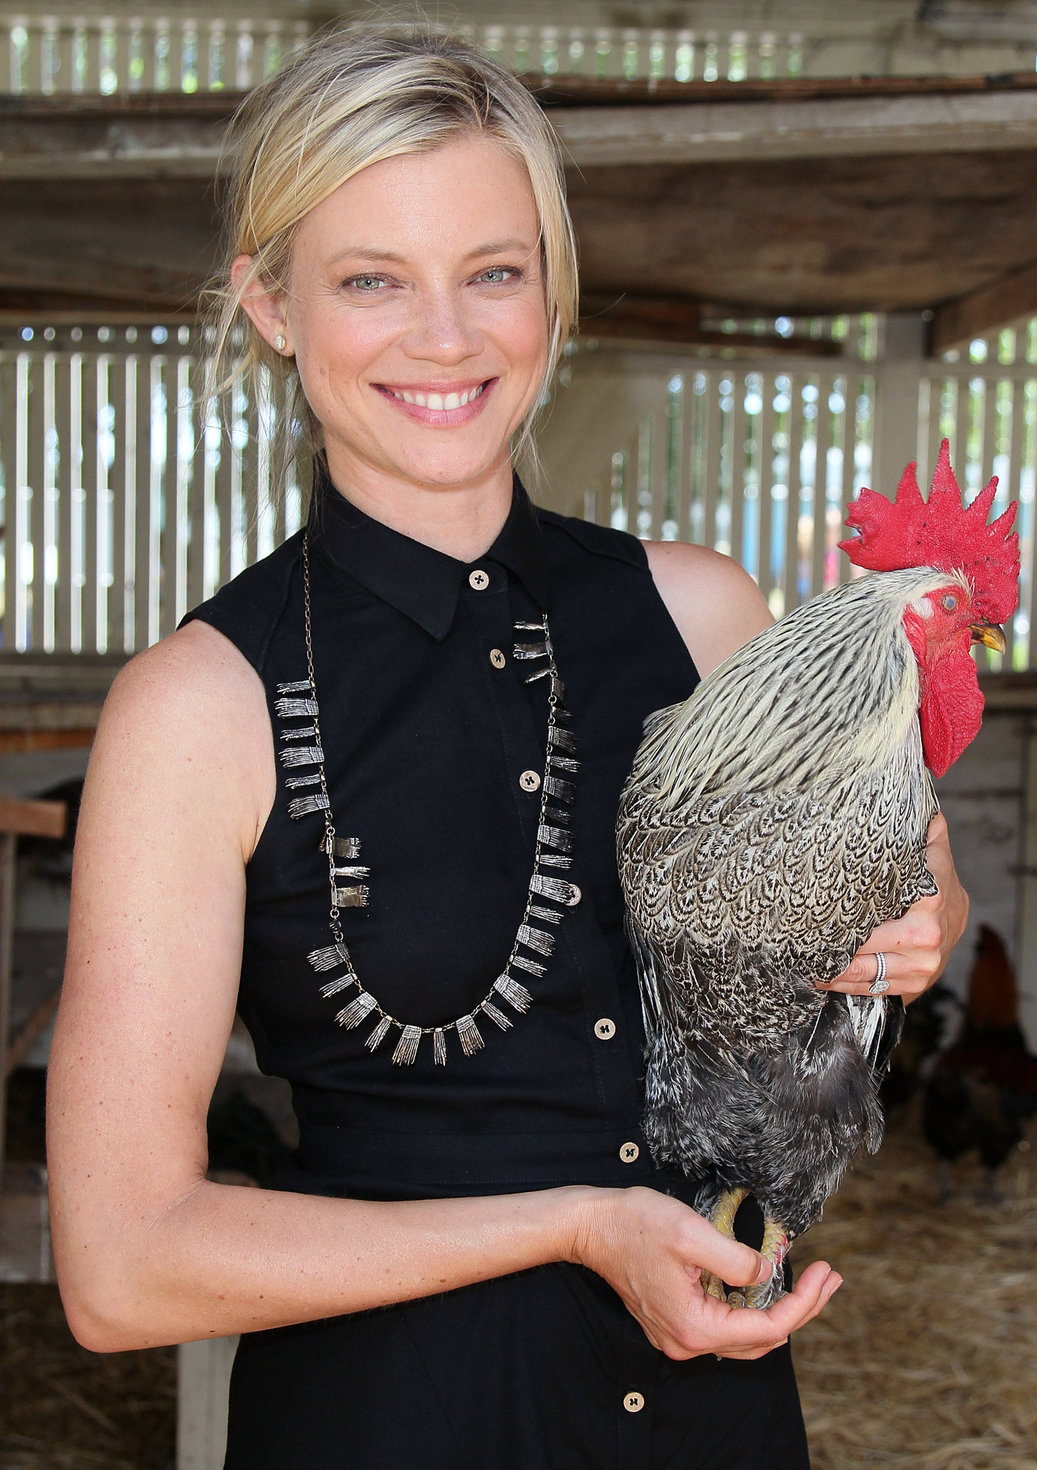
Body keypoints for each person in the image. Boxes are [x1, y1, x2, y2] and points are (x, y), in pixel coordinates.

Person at [47, 27, 969, 1470]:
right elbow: (119, 1268)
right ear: (271, 304)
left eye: (493, 271)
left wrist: (920, 919)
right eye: (371, 280)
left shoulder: (701, 613)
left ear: (552, 286)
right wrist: (577, 1226)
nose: (447, 337)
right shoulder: (198, 708)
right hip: (397, 1424)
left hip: (711, 1424)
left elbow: (916, 880)